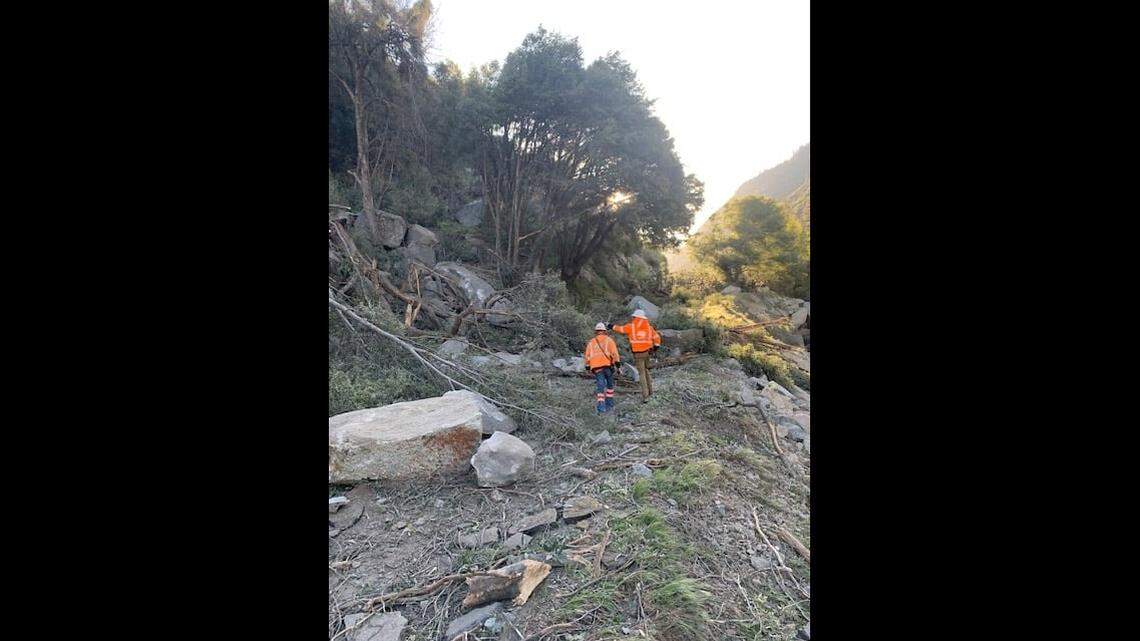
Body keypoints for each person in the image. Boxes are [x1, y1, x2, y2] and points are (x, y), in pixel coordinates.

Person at [609, 309, 661, 402]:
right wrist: (655, 348)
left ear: (636, 317)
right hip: (647, 353)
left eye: (633, 317)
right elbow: (657, 338)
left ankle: (646, 396)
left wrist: (610, 326)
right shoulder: (649, 327)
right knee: (646, 371)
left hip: (638, 354)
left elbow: (620, 329)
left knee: (641, 374)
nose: (632, 318)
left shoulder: (631, 327)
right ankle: (651, 392)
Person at [584, 321, 621, 414]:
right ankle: (610, 406)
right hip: (608, 367)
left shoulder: (591, 342)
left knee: (600, 388)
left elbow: (587, 357)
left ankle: (601, 408)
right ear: (604, 331)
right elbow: (615, 354)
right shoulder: (609, 340)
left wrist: (588, 368)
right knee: (610, 387)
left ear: (596, 331)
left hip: (597, 368)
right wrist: (618, 366)